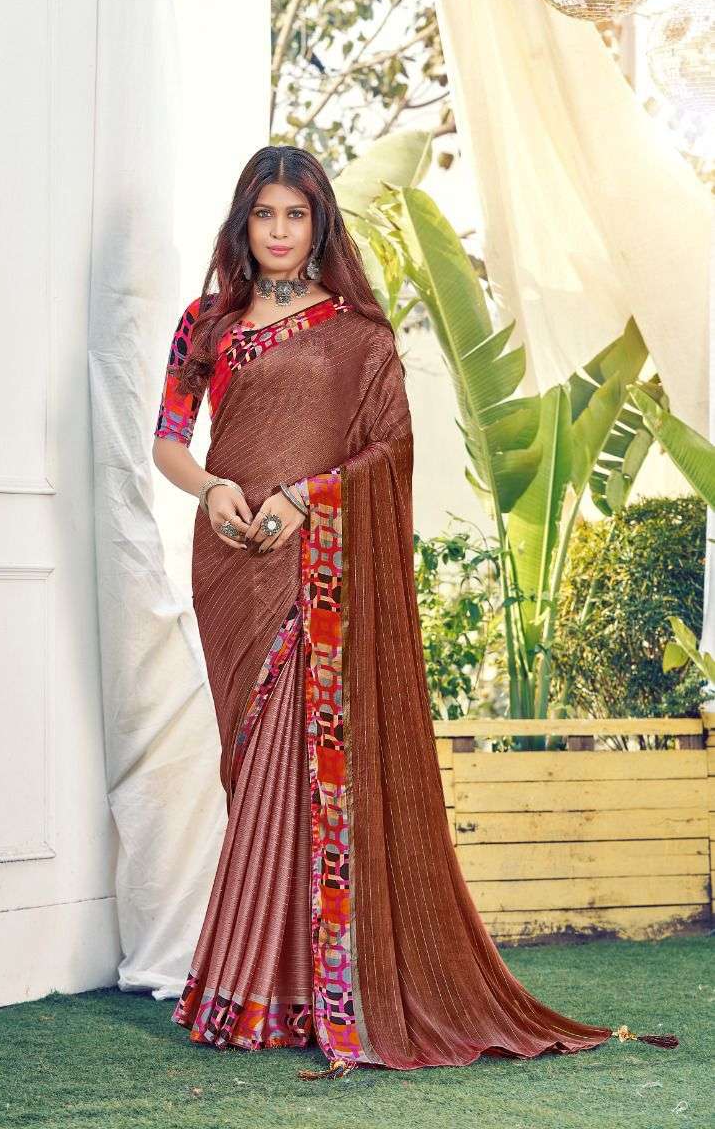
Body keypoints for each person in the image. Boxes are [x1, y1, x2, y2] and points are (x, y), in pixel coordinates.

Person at [150, 145, 678, 1079]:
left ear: (320, 225)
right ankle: (274, 983)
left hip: (314, 563)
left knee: (292, 767)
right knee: (254, 761)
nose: (279, 232)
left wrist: (306, 497)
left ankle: (277, 991)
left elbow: (391, 450)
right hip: (231, 565)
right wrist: (212, 490)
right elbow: (167, 442)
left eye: (296, 215)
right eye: (264, 214)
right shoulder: (206, 322)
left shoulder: (356, 334)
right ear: (243, 222)